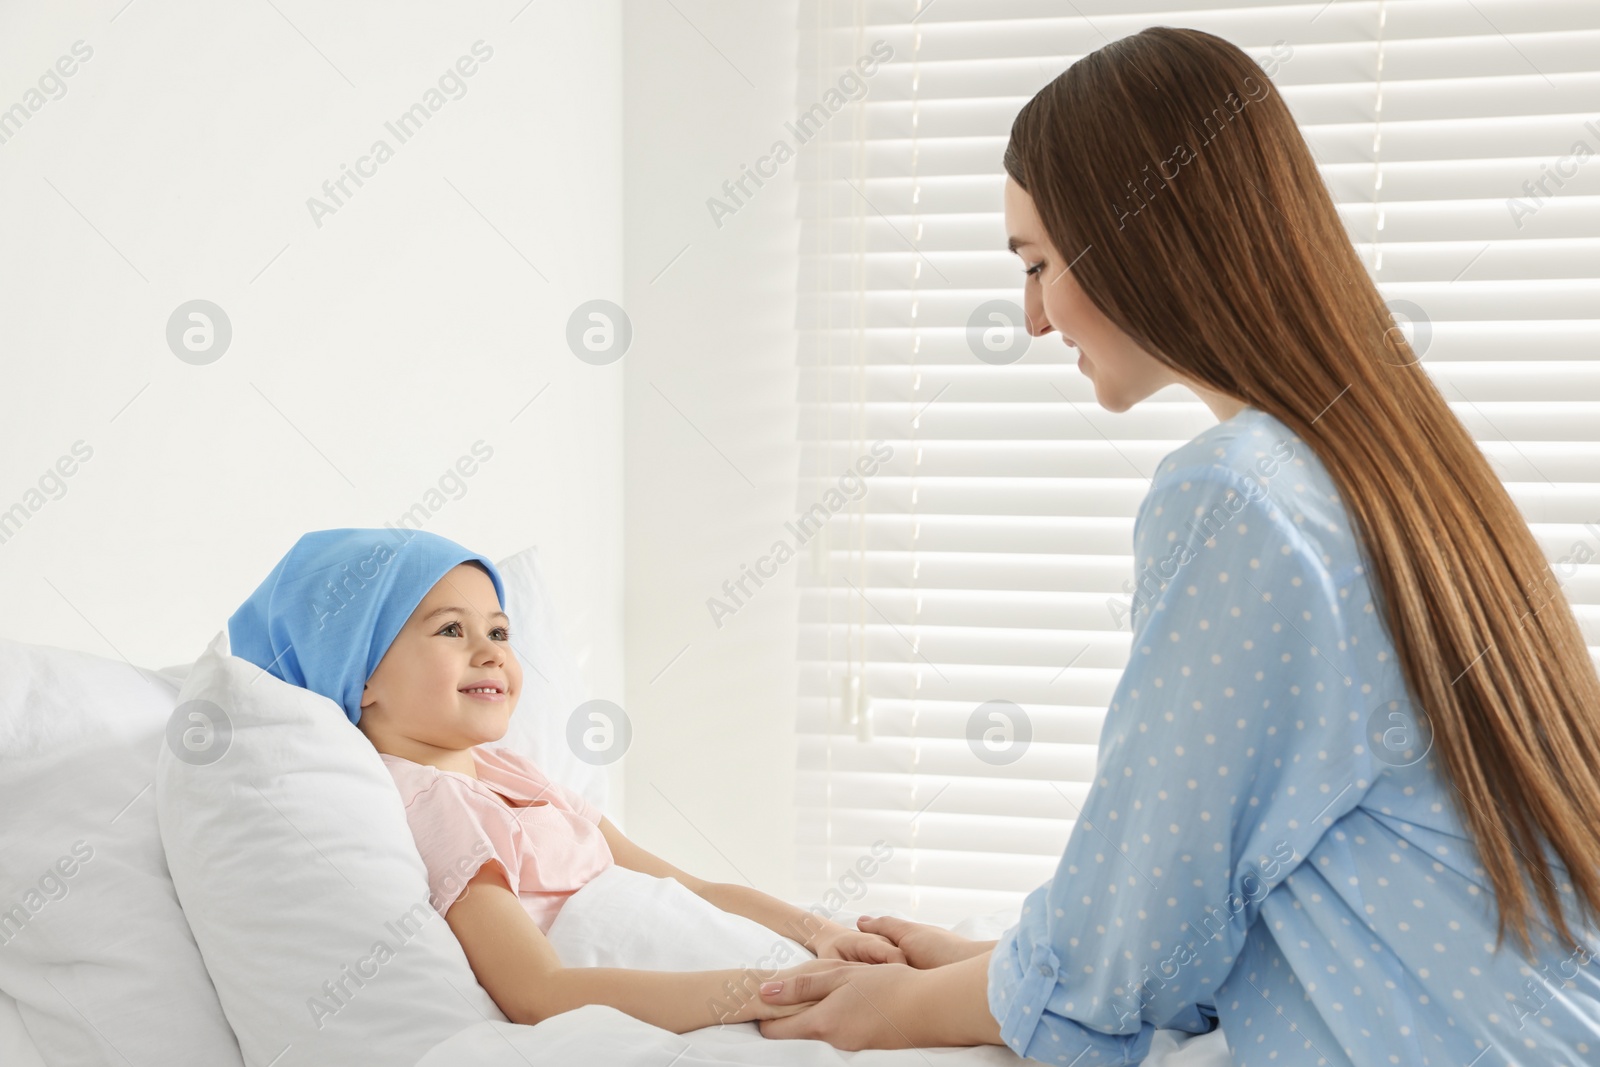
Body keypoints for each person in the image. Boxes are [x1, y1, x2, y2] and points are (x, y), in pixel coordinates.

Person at [756, 25, 1600, 1064]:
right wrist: (1006, 961)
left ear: (1132, 237)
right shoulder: (1389, 460)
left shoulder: (1237, 495)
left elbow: (1143, 914)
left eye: (1038, 263)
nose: (1029, 316)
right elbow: (1270, 873)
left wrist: (906, 1008)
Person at [227, 527, 899, 1034]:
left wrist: (818, 931)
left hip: (736, 958)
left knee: (936, 983)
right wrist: (768, 988)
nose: (490, 650)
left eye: (499, 628)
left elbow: (689, 886)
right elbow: (537, 989)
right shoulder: (438, 807)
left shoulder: (507, 771)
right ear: (361, 674)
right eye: (451, 629)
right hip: (708, 986)